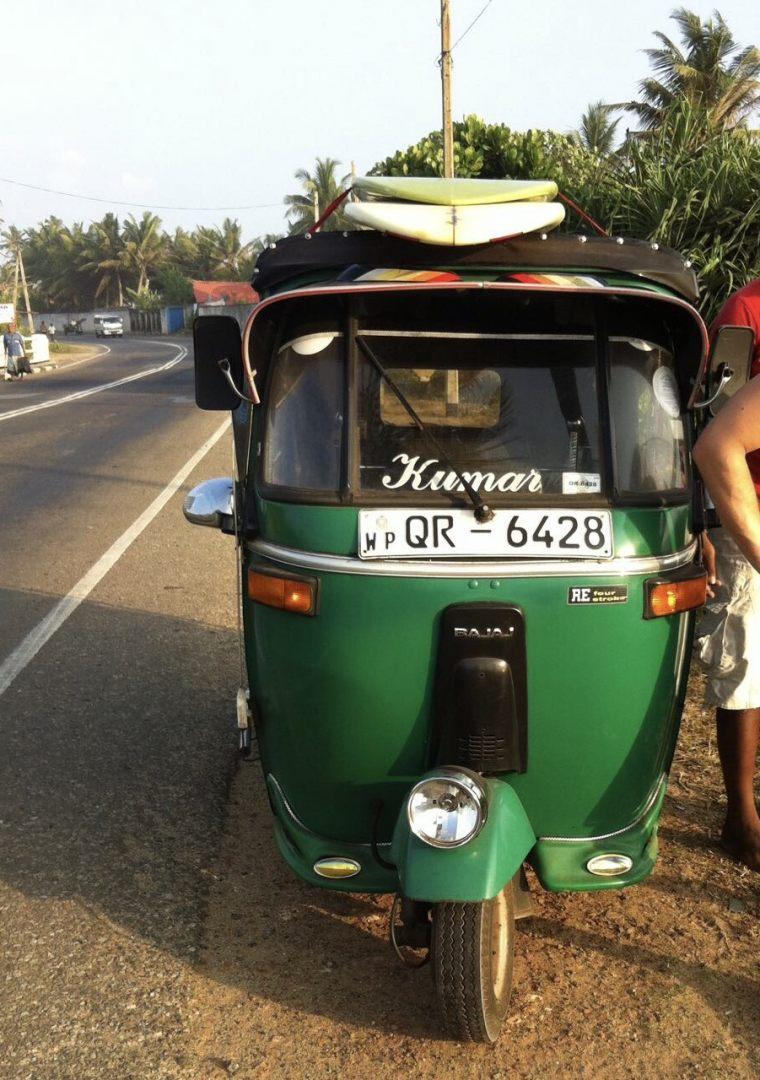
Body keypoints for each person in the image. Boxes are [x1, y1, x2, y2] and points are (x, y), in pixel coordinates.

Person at [693, 278, 760, 873]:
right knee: (743, 666)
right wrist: (706, 521)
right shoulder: (745, 311)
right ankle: (740, 815)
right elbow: (710, 420)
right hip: (746, 516)